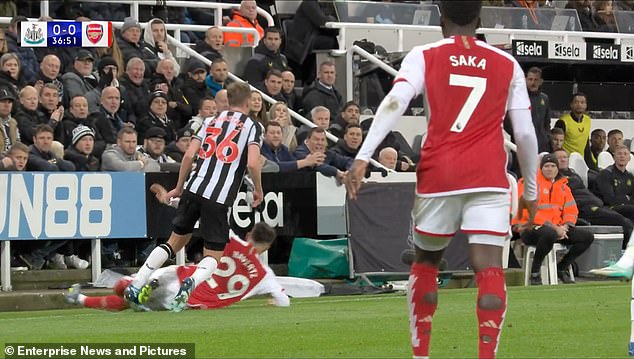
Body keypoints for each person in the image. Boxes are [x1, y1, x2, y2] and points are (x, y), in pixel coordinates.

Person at [343, 2, 538, 357]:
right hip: (489, 175)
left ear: (439, 20)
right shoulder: (507, 63)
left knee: (427, 262)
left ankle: (421, 354)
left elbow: (394, 102)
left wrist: (362, 156)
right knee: (489, 268)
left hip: (440, 173)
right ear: (480, 21)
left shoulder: (424, 54)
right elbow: (524, 134)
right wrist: (533, 188)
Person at [126, 82, 264, 312]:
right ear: (248, 102)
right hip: (219, 196)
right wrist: (258, 188)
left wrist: (179, 186)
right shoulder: (252, 126)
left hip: (194, 188)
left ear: (228, 100)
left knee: (174, 241)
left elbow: (189, 154)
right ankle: (192, 283)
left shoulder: (210, 121)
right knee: (213, 253)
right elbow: (252, 162)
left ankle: (137, 282)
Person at [65, 222, 289, 311]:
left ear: (249, 234)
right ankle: (81, 299)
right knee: (130, 302)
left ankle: (130, 287)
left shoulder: (227, 238)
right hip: (190, 302)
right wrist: (272, 301)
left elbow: (198, 222)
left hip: (180, 277)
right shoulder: (264, 275)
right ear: (267, 247)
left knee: (128, 289)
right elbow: (284, 302)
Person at [512, 154, 594, 285]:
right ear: (541, 167)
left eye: (553, 166)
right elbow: (527, 212)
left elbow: (571, 210)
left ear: (557, 169)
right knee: (549, 234)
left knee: (587, 237)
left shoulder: (563, 186)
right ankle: (535, 272)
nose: (549, 169)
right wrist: (554, 227)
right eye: (546, 166)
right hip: (529, 228)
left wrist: (566, 226)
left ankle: (562, 267)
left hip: (558, 228)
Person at [555, 149, 633, 248]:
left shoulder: (574, 175)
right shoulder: (556, 179)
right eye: (559, 158)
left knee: (626, 222)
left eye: (565, 157)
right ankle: (625, 255)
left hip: (596, 205)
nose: (563, 160)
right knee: (624, 223)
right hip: (584, 209)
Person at [525, 67, 552, 153]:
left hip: (541, 144)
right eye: (530, 79)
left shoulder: (545, 98)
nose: (533, 82)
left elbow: (547, 121)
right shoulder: (520, 97)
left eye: (536, 80)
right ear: (525, 80)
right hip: (523, 142)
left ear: (540, 81)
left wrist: (546, 136)